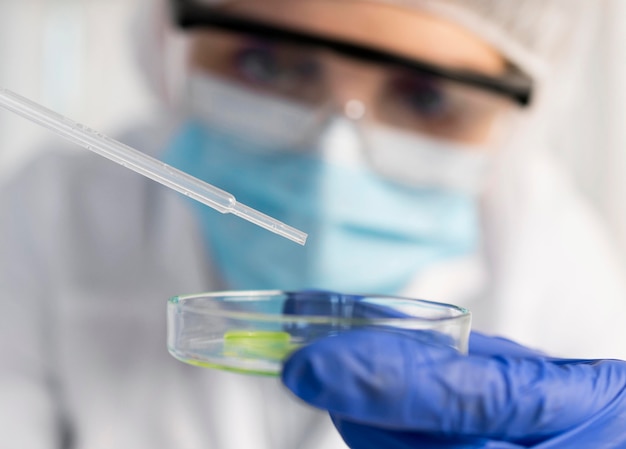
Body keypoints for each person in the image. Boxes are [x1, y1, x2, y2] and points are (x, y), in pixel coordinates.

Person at [0, 0, 625, 448]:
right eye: (266, 64)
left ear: (516, 126)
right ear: (167, 50)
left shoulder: (554, 262)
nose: (333, 156)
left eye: (427, 97)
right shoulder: (55, 210)